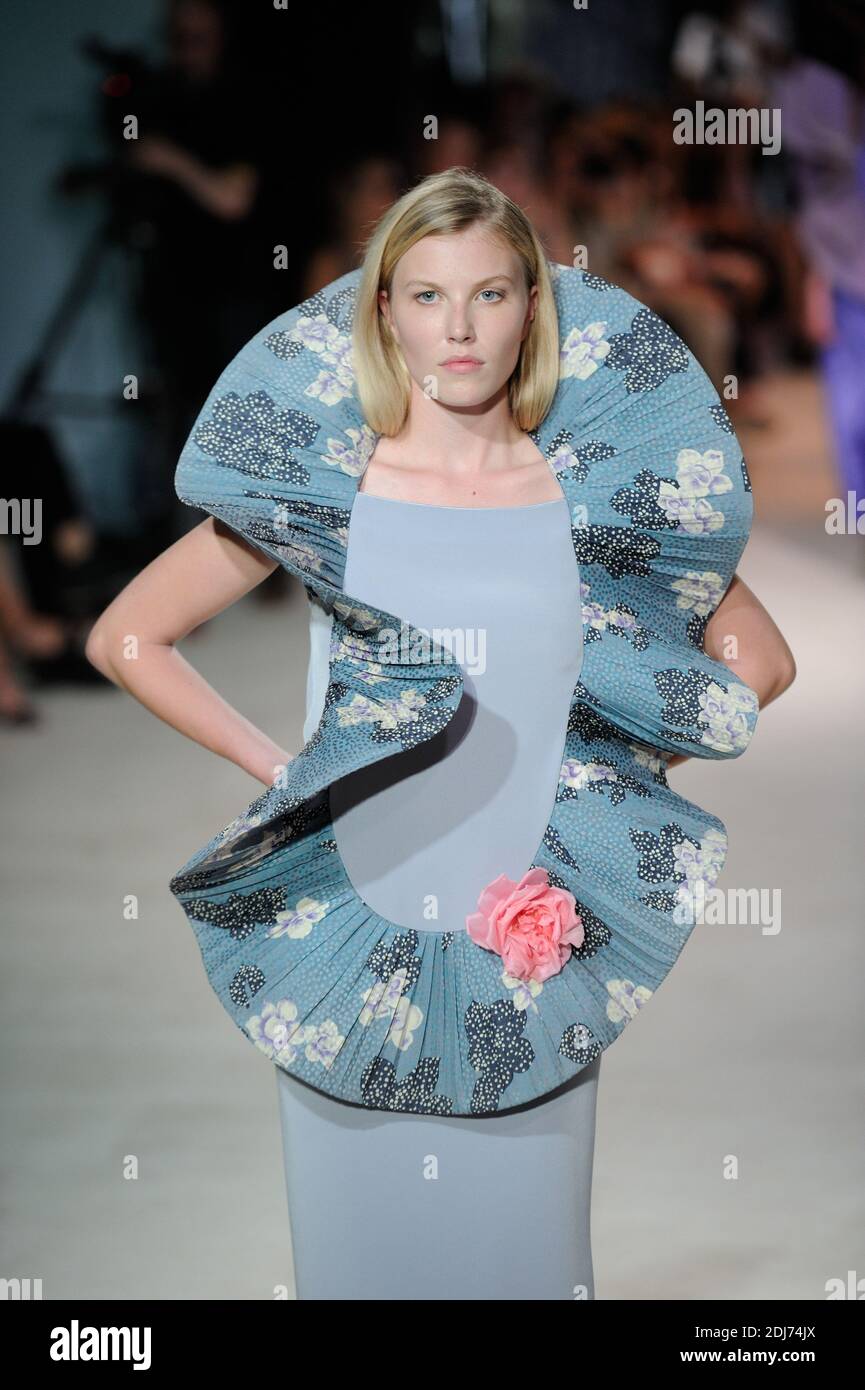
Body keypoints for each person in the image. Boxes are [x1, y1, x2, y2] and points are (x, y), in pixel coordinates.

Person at [85, 168, 796, 1300]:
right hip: (352, 911)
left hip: (530, 913)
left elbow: (756, 665)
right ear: (381, 313)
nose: (458, 328)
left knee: (529, 1258)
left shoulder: (599, 497)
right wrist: (282, 772)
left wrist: (610, 770)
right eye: (425, 296)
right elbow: (127, 639)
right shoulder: (330, 490)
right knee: (359, 1262)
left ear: (534, 307)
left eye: (490, 294)